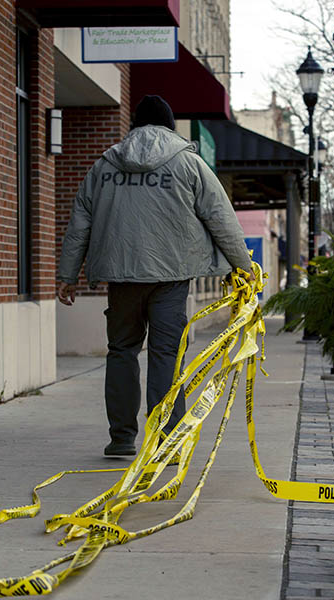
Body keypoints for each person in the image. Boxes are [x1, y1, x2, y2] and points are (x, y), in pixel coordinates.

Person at [56, 95, 253, 457]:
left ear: (134, 124)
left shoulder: (104, 166)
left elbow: (79, 221)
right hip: (171, 278)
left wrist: (67, 274)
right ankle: (166, 441)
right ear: (170, 125)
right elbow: (221, 218)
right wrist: (244, 267)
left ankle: (121, 439)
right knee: (166, 355)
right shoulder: (190, 164)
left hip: (122, 278)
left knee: (121, 352)